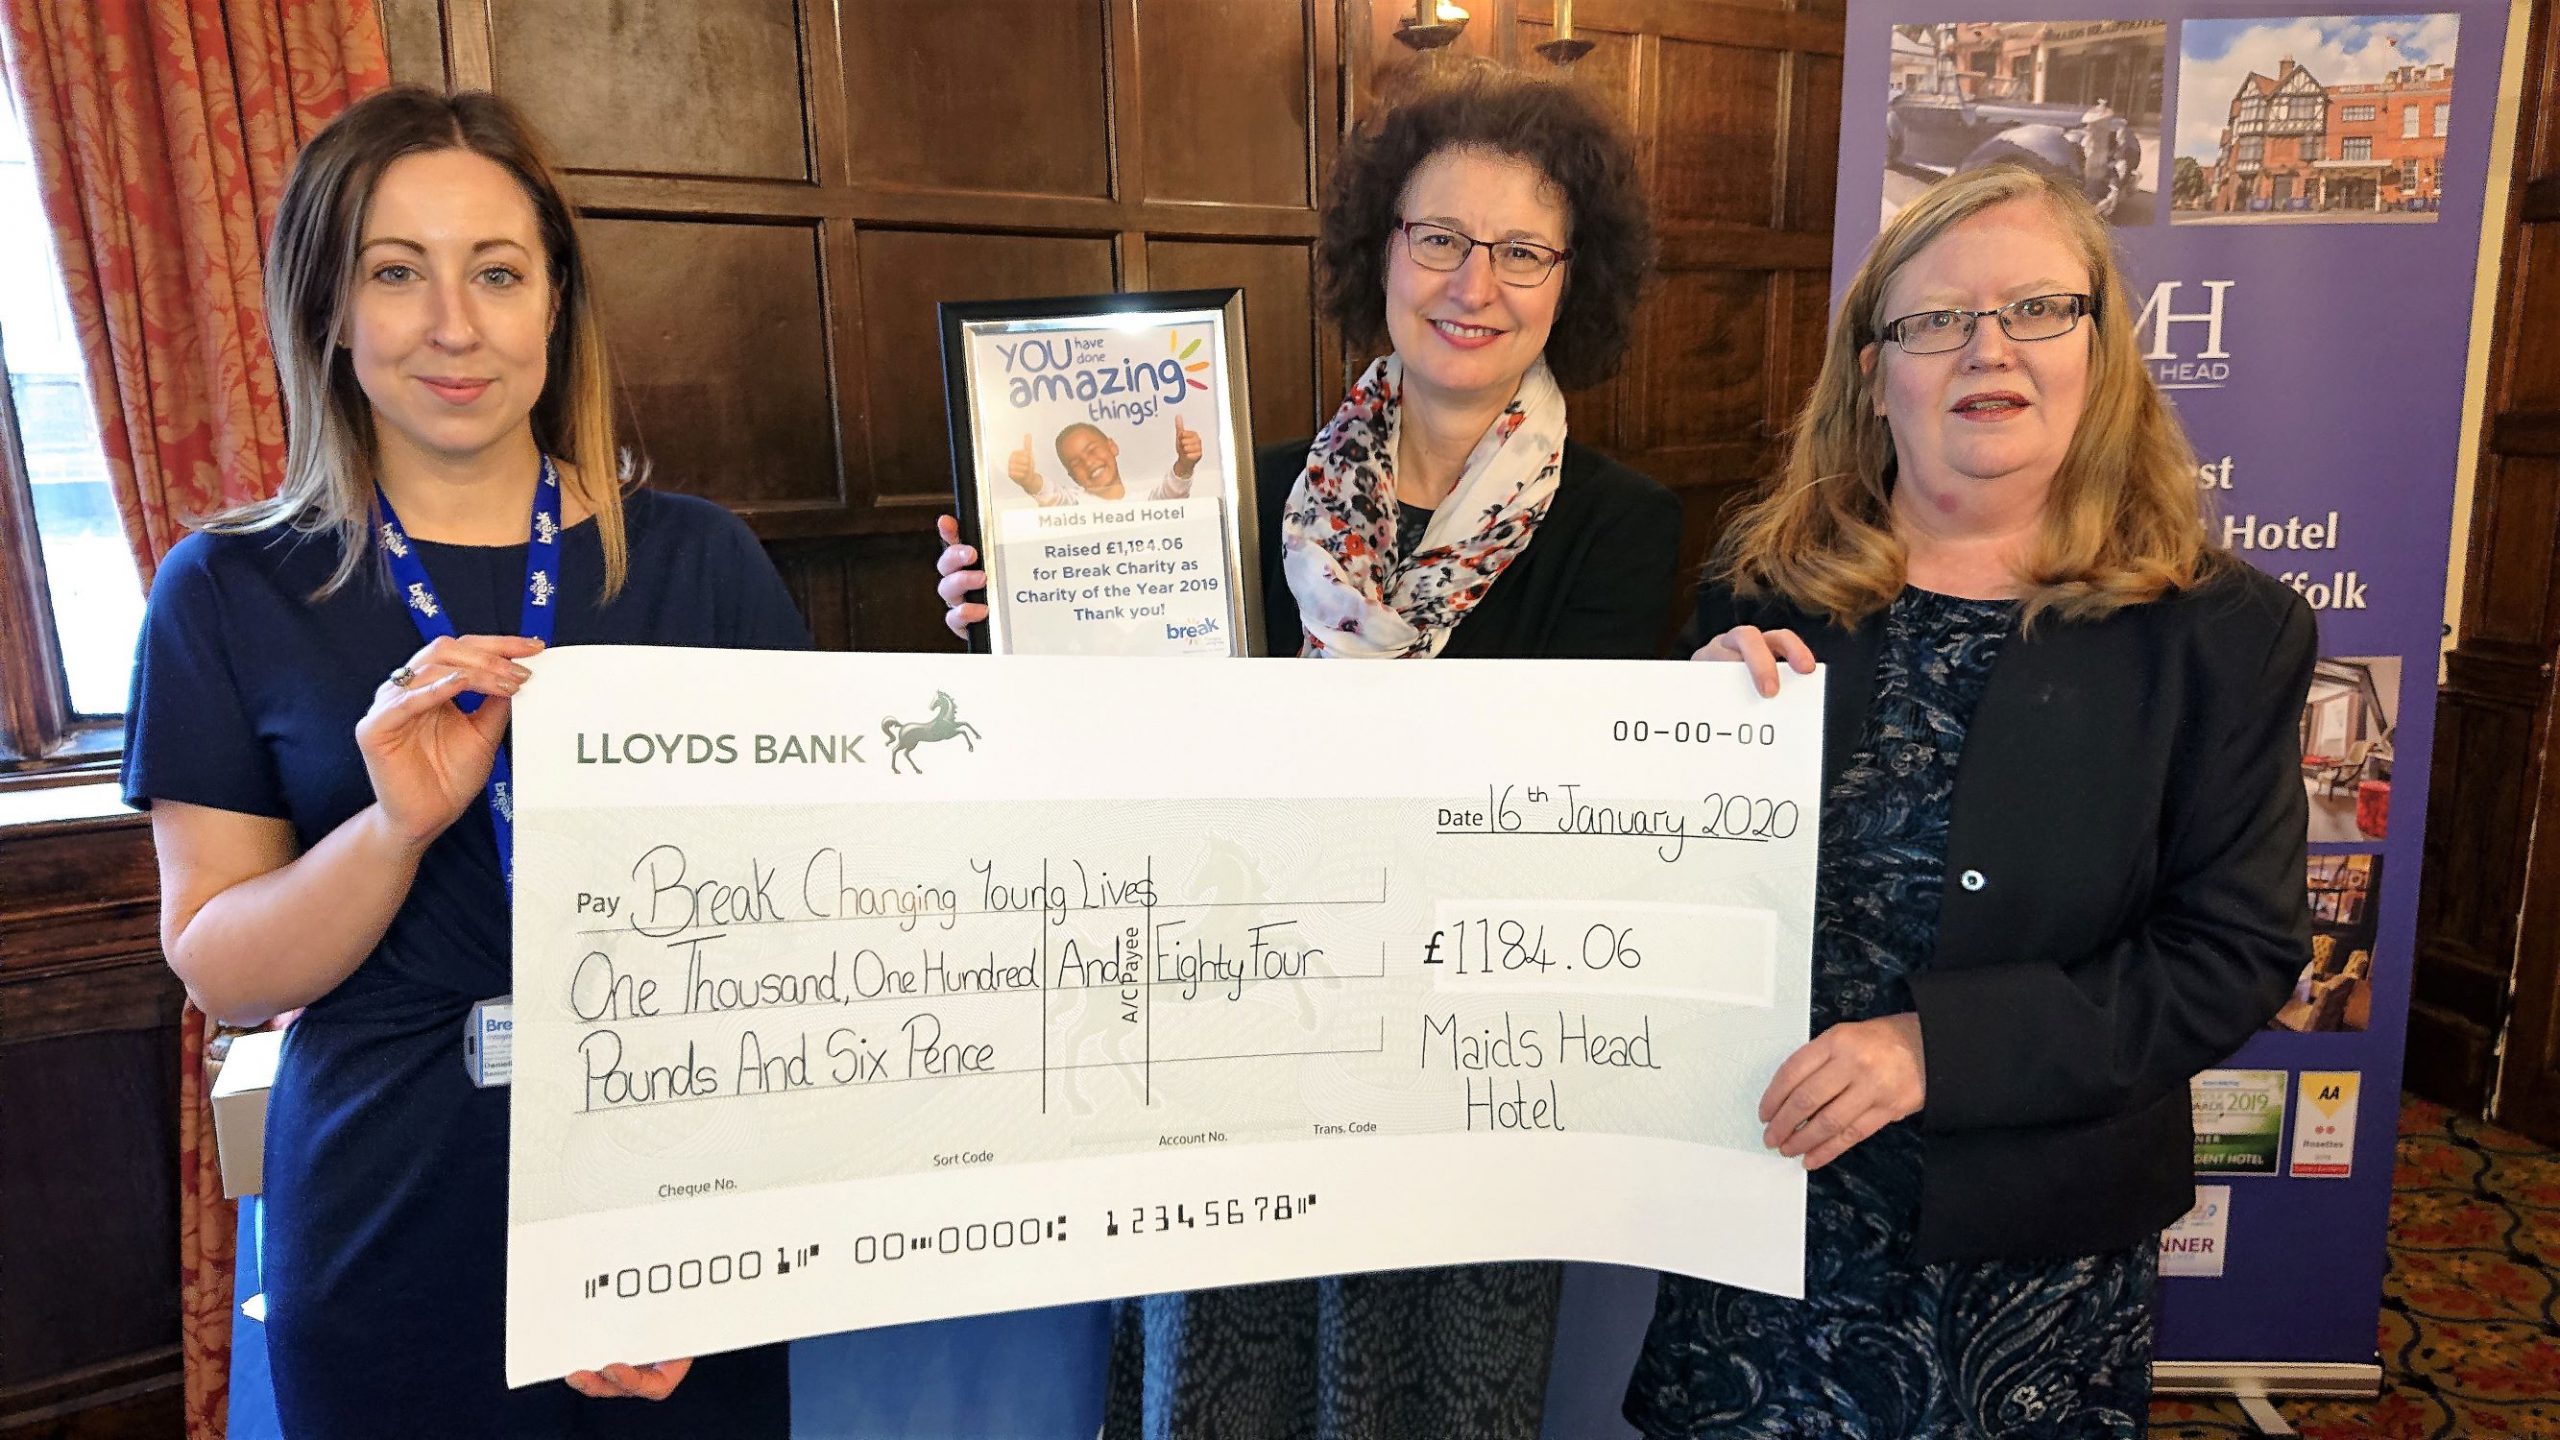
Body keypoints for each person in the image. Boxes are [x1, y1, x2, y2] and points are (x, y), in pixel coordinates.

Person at [936, 62, 1678, 1437]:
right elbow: (1130, 750)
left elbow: (1559, 810)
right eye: (1439, 237)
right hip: (1232, 1058)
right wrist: (1027, 613)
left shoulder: (1622, 528)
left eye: (1523, 250)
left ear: (1576, 280)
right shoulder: (1237, 491)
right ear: (1377, 253)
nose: (1475, 283)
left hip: (1466, 1082)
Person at [122, 86, 800, 1439]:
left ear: (555, 303)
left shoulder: (696, 560)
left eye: (497, 273)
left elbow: (801, 933)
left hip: (671, 1206)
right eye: (395, 273)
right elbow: (219, 962)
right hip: (388, 1221)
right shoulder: (225, 591)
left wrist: (713, 1247)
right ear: (327, 308)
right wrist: (389, 831)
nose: (453, 325)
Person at [1626, 161, 2315, 1438]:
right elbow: (1658, 899)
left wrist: (1935, 1049)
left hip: (2036, 1259)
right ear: (1875, 370)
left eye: (2036, 309)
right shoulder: (1759, 590)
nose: (1986, 348)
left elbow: (2235, 954)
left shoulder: (2225, 633)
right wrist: (1676, 739)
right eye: (1934, 320)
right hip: (1770, 1213)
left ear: (2099, 351)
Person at [1008, 416, 1203, 505]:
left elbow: (1170, 496)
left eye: (1092, 450)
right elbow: (1053, 497)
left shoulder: (1145, 503)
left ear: (1112, 447)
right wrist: (1029, 480)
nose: (1088, 463)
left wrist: (1185, 464)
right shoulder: (1074, 506)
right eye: (1076, 463)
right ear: (1073, 477)